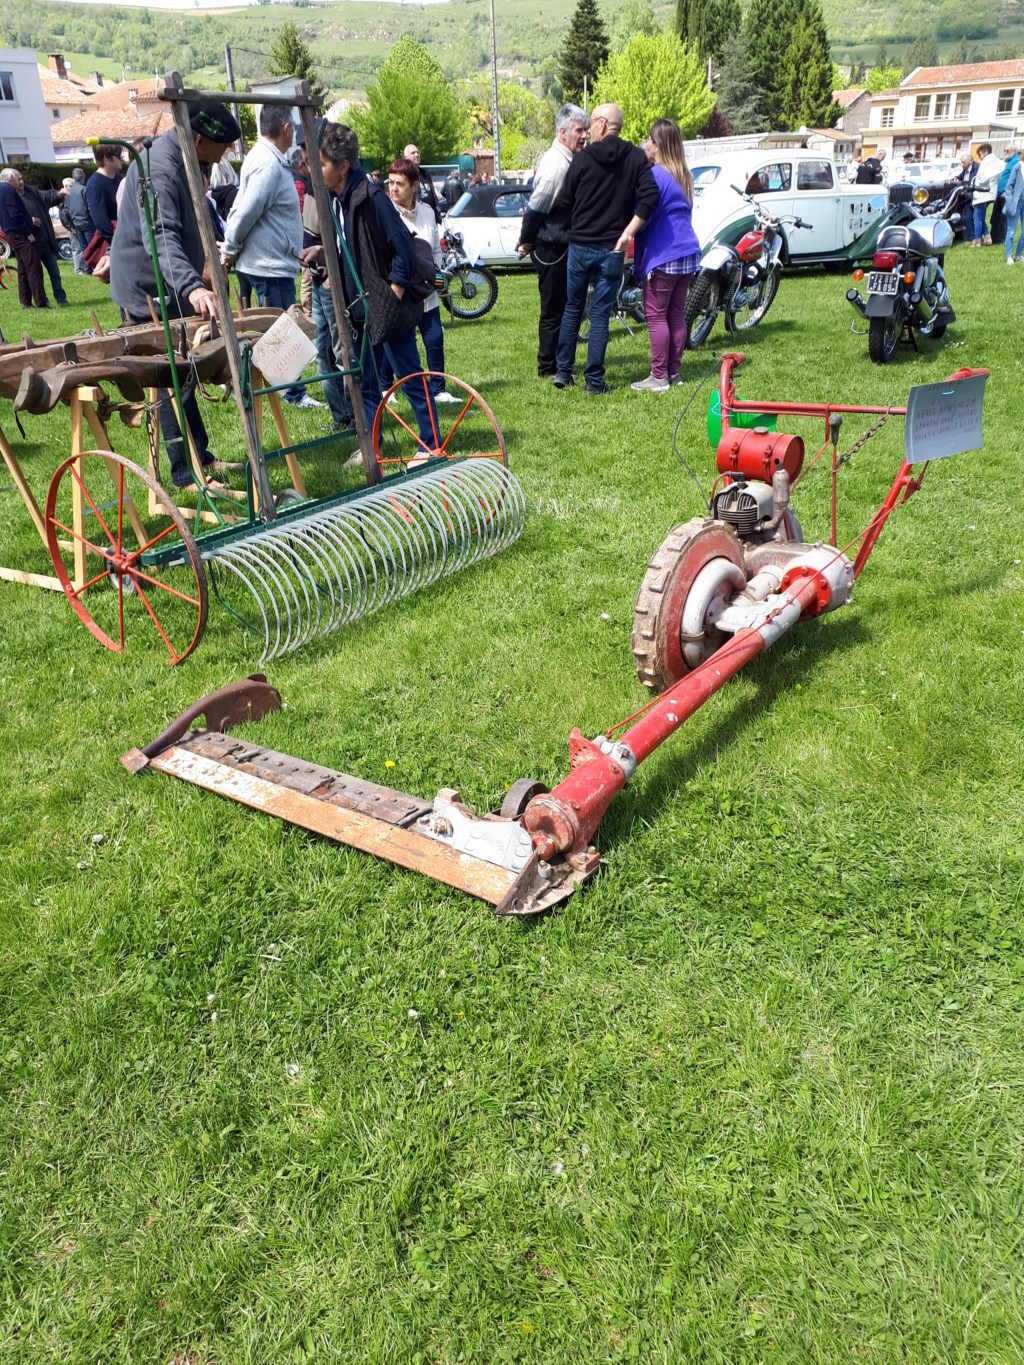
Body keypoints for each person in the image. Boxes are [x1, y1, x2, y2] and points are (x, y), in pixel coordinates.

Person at [110, 101, 241, 489]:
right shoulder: (161, 169)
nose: (227, 154)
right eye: (224, 147)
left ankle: (202, 457)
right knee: (166, 379)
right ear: (199, 141)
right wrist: (193, 285)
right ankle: (185, 475)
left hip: (170, 283)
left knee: (183, 375)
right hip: (146, 288)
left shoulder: (190, 161)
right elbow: (162, 237)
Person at [301, 122, 438, 449]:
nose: (316, 172)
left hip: (386, 309)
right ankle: (371, 451)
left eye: (322, 165)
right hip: (361, 311)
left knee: (410, 379)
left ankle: (431, 445)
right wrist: (323, 252)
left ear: (343, 166)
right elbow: (356, 246)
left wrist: (393, 294)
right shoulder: (340, 200)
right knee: (368, 387)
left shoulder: (372, 197)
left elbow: (403, 247)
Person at [551, 102, 659, 395]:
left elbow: (563, 202)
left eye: (591, 125)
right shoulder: (635, 157)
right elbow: (650, 197)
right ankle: (594, 381)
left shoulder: (583, 159)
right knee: (600, 313)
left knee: (573, 307)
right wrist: (628, 233)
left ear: (600, 125)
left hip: (580, 246)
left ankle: (562, 372)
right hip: (613, 248)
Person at [222, 105, 320, 409]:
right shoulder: (267, 163)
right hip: (268, 265)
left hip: (269, 261)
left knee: (274, 331)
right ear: (287, 129)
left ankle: (273, 389)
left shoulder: (262, 157)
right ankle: (292, 393)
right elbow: (247, 210)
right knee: (279, 332)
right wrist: (230, 246)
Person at [515, 102, 589, 378]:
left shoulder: (568, 160)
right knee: (553, 311)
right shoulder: (557, 165)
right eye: (579, 131)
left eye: (586, 131)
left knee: (563, 308)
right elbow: (535, 209)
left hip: (559, 246)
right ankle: (547, 367)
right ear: (563, 132)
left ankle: (558, 362)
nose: (584, 136)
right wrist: (526, 240)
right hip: (551, 249)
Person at [629, 119, 701, 393]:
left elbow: (643, 215)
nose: (645, 144)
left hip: (665, 254)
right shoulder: (684, 175)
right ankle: (674, 372)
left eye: (649, 139)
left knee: (656, 316)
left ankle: (658, 377)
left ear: (657, 145)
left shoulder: (656, 176)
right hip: (689, 253)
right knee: (676, 315)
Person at [385, 156, 459, 403]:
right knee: (395, 342)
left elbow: (435, 250)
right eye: (391, 182)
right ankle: (387, 388)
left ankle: (438, 389)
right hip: (401, 291)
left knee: (434, 338)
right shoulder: (386, 214)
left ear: (414, 186)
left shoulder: (427, 212)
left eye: (400, 184)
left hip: (427, 290)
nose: (394, 188)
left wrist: (437, 278)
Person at [301, 181, 355, 431]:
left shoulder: (335, 188)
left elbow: (344, 240)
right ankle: (341, 415)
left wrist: (333, 275)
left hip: (332, 282)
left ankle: (357, 417)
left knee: (342, 351)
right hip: (317, 278)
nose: (304, 156)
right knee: (321, 352)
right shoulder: (314, 187)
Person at [0, 167, 47, 309]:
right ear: (11, 178)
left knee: (22, 268)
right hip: (20, 233)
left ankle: (25, 301)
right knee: (33, 267)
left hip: (10, 233)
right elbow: (15, 215)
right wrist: (28, 232)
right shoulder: (9, 191)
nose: (18, 181)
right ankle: (41, 302)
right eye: (16, 178)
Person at [21, 177, 69, 306]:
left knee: (55, 272)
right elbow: (11, 217)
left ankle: (61, 298)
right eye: (17, 179)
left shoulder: (32, 191)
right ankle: (41, 300)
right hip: (29, 243)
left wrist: (59, 193)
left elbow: (48, 196)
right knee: (35, 275)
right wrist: (28, 220)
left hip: (45, 240)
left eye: (21, 178)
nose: (21, 181)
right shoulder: (10, 198)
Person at [84, 145, 122, 265]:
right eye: (119, 156)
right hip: (115, 242)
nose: (122, 159)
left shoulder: (119, 178)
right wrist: (118, 242)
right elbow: (101, 222)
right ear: (107, 158)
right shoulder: (94, 185)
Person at [972, 143, 1003, 246]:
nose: (979, 157)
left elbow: (982, 178)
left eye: (979, 154)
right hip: (991, 192)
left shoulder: (986, 161)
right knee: (979, 216)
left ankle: (977, 240)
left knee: (977, 216)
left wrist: (975, 184)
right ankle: (987, 237)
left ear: (985, 151)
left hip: (982, 192)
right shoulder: (996, 162)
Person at [65, 166, 94, 275]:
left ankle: (87, 268)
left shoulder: (69, 192)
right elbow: (89, 207)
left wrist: (72, 225)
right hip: (87, 222)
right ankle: (93, 267)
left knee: (83, 247)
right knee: (92, 246)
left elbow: (66, 210)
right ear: (83, 177)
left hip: (76, 223)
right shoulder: (84, 190)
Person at [404, 144, 441, 223]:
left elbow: (433, 195)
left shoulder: (425, 173)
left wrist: (437, 212)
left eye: (418, 152)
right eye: (413, 153)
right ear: (406, 157)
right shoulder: (404, 175)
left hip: (431, 218)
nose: (416, 155)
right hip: (416, 220)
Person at [1001, 143, 1023, 265]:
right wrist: (1010, 201)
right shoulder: (1018, 167)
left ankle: (1018, 256)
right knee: (1011, 231)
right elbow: (1009, 186)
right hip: (1016, 202)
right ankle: (1009, 256)